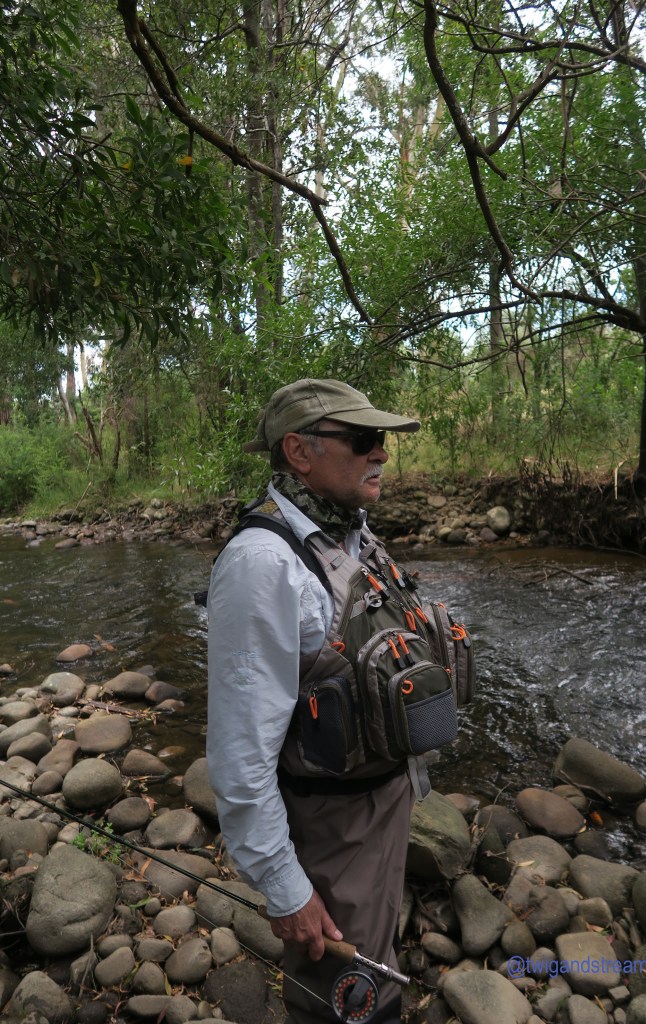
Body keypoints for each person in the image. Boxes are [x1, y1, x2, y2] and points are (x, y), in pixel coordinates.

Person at [206, 379, 471, 1023]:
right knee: (345, 1000)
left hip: (385, 803)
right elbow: (241, 762)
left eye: (381, 440)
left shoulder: (348, 533)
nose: (381, 453)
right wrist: (288, 891)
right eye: (364, 440)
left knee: (374, 960)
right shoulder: (262, 565)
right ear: (299, 451)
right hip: (332, 828)